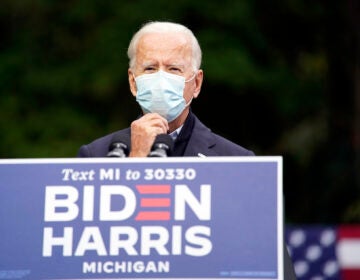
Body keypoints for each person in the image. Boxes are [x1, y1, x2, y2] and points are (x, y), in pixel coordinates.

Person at [77, 21, 296, 279]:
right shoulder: (96, 156)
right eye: (150, 68)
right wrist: (133, 164)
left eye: (173, 69)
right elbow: (86, 255)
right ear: (133, 82)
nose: (161, 78)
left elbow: (271, 265)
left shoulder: (237, 163)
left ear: (197, 83)